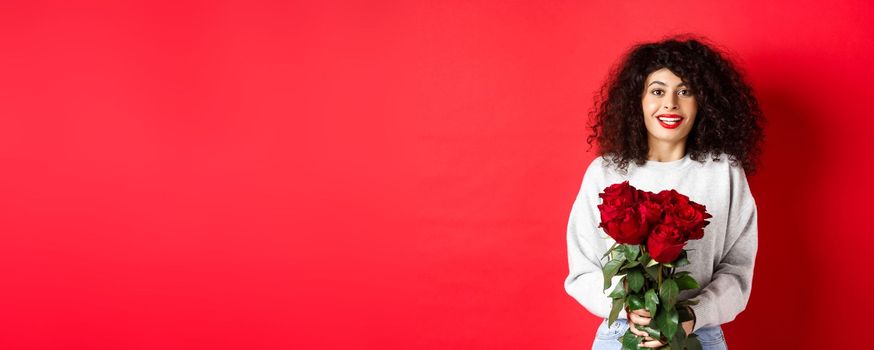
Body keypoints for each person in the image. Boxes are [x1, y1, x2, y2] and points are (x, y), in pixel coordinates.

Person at [563, 35, 764, 350]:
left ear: (703, 102)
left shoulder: (723, 172)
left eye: (685, 91)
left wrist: (690, 316)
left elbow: (736, 272)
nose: (671, 103)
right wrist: (630, 310)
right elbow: (583, 271)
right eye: (657, 91)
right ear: (638, 101)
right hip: (621, 335)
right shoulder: (605, 172)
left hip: (700, 335)